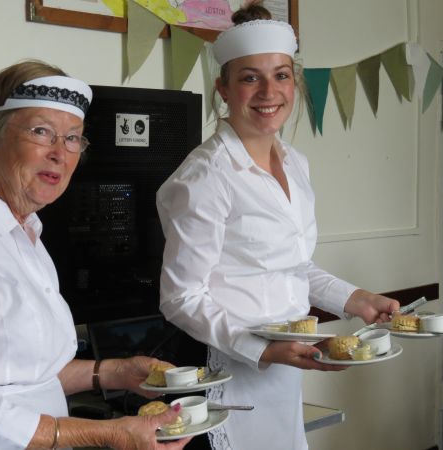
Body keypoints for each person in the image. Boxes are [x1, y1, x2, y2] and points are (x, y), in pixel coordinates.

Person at [156, 2, 401, 449]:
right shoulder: (206, 175)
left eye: (281, 75)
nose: (269, 90)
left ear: (295, 82)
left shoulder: (295, 163)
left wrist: (355, 298)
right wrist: (262, 349)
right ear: (224, 88)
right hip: (225, 369)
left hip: (283, 369)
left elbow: (292, 265)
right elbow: (181, 298)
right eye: (250, 77)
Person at [0, 60, 190, 450]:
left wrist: (118, 372)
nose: (59, 154)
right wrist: (112, 433)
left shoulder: (23, 228)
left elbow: (29, 374)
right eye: (41, 132)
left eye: (72, 138)